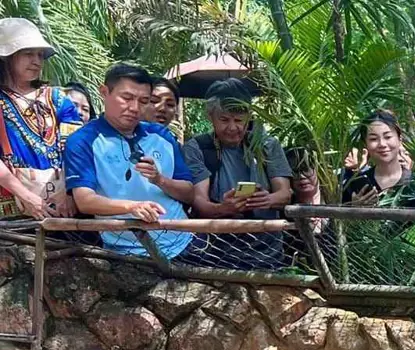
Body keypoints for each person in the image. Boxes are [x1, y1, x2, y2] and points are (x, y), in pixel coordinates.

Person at [63, 64, 196, 260]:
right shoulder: (82, 141)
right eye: (126, 98)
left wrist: (160, 180)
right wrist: (131, 207)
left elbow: (189, 193)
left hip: (183, 242)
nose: (134, 108)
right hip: (126, 252)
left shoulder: (161, 135)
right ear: (104, 92)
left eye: (143, 101)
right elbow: (84, 200)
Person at [182, 78, 293, 267]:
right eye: (224, 120)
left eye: (239, 120)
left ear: (248, 117)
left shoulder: (267, 145)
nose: (233, 128)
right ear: (211, 116)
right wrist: (224, 208)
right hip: (217, 252)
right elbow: (199, 202)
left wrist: (267, 200)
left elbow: (284, 194)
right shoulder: (197, 148)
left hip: (268, 252)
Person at [0, 18, 82, 219]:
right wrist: (26, 196)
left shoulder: (58, 99)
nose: (36, 61)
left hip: (65, 205)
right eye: (28, 54)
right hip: (13, 209)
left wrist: (70, 192)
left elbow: (77, 147)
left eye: (40, 55)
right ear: (7, 57)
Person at [341, 110, 415, 207]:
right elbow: (337, 220)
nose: (382, 144)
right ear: (365, 144)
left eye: (388, 137)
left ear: (399, 139)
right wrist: (353, 208)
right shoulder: (355, 185)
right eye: (373, 139)